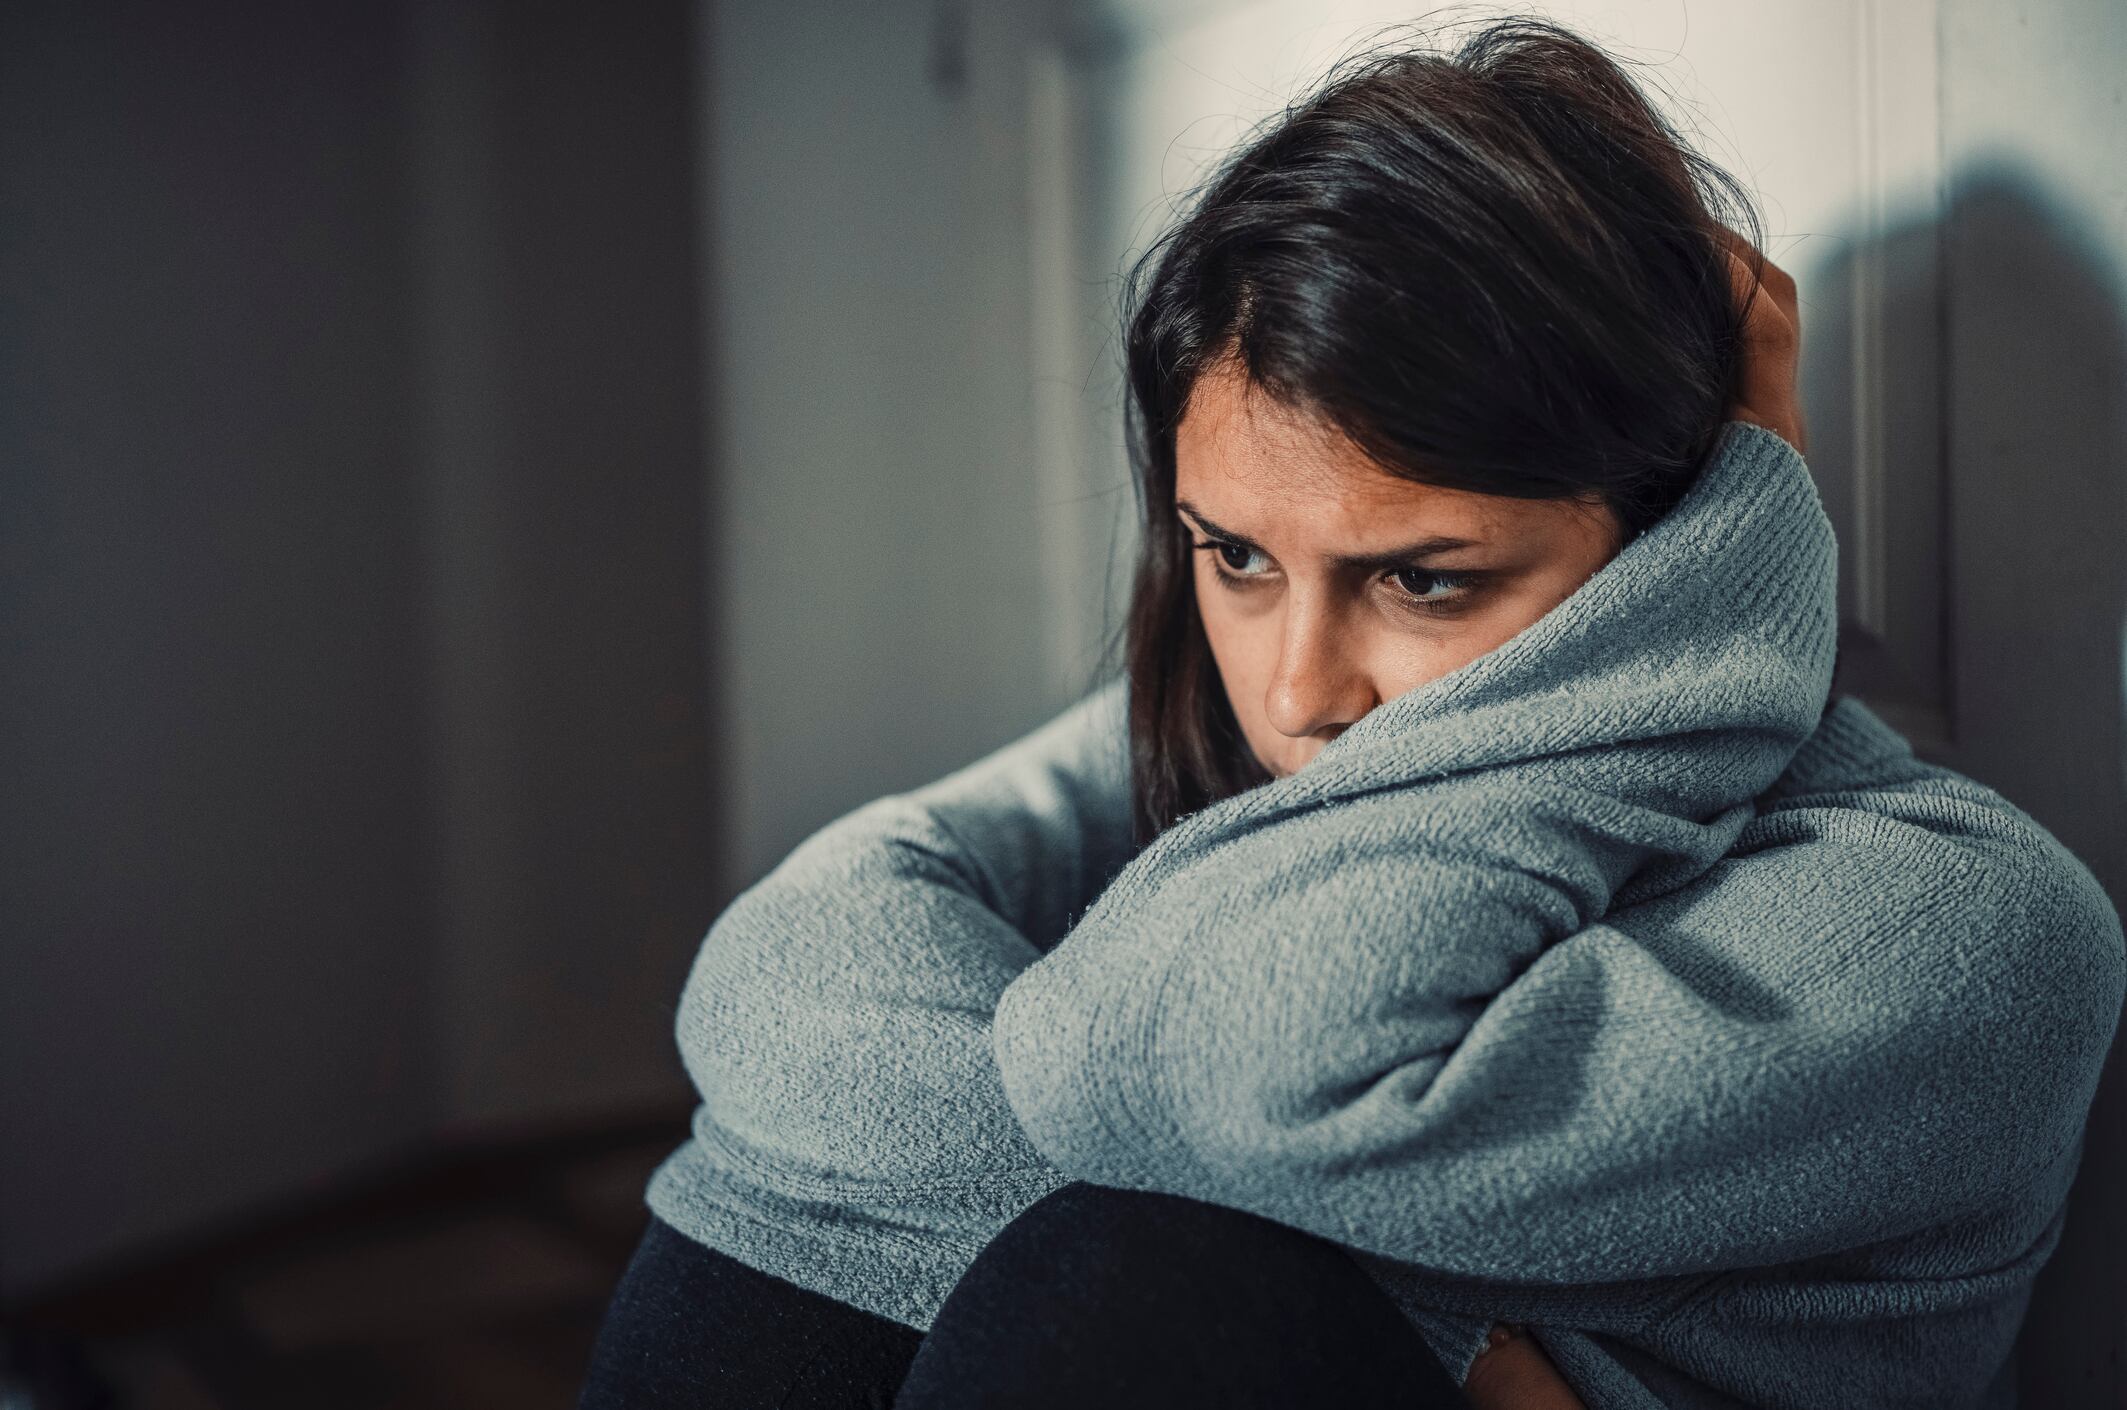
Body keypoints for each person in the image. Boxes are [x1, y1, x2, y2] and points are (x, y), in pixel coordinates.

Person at [580, 15, 2121, 1410]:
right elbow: (796, 961)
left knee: (1131, 1276)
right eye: (1237, 555)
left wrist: (1742, 552)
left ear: (1683, 542)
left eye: (1428, 582)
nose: (1300, 691)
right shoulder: (1232, 725)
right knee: (813, 1198)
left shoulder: (1970, 922)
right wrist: (1454, 1338)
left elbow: (1259, 1071)